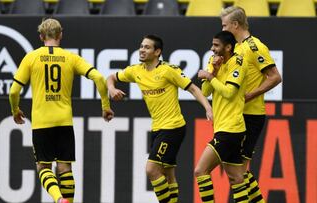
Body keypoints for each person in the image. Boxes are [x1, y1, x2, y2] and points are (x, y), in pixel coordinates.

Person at [9, 18, 114, 203]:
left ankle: (58, 200)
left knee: (43, 168)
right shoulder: (71, 58)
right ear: (61, 35)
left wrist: (15, 109)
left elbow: (13, 91)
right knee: (65, 168)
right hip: (64, 121)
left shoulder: (31, 57)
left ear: (41, 36)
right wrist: (105, 106)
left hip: (42, 121)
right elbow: (98, 77)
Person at [107, 34, 213, 203]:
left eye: (147, 47)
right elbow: (111, 77)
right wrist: (111, 89)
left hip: (173, 128)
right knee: (168, 174)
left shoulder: (168, 70)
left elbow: (193, 88)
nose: (142, 49)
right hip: (157, 128)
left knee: (151, 170)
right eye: (141, 46)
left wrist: (208, 107)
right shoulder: (136, 71)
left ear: (157, 52)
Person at [220, 6, 282, 202]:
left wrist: (249, 95)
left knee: (237, 173)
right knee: (238, 173)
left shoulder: (254, 46)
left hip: (251, 115)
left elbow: (275, 77)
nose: (222, 30)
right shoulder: (235, 48)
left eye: (224, 25)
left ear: (235, 25)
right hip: (237, 116)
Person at [195, 31, 249, 203]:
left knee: (200, 171)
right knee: (236, 179)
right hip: (225, 128)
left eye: (216, 45)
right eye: (212, 44)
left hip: (230, 129)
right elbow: (205, 91)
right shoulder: (214, 61)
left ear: (228, 47)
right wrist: (215, 71)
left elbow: (229, 93)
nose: (212, 49)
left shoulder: (238, 63)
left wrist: (210, 76)